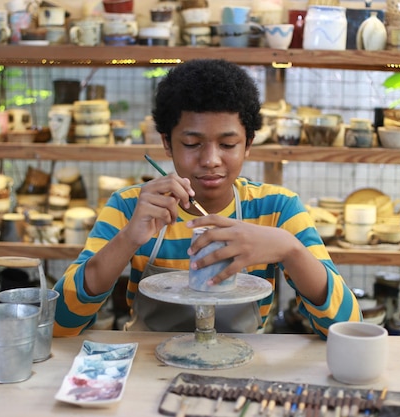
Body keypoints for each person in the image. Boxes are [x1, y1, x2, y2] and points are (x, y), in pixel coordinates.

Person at [53, 59, 361, 337]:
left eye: (228, 144)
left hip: (242, 368)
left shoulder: (276, 209)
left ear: (248, 144)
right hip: (148, 366)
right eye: (192, 143)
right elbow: (59, 322)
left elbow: (346, 324)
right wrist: (129, 238)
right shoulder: (132, 207)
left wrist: (290, 249)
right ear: (167, 143)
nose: (211, 159)